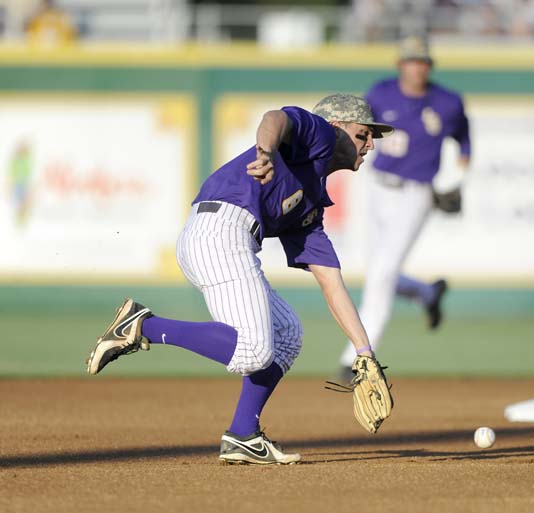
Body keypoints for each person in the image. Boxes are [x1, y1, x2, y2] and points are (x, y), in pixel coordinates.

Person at [85, 93, 394, 465]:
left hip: (228, 240)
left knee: (287, 335)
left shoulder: (312, 202)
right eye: (363, 134)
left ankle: (243, 434)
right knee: (254, 350)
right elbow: (275, 118)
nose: (370, 144)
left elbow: (331, 281)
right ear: (337, 128)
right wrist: (265, 153)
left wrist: (364, 351)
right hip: (221, 230)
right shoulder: (320, 136)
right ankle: (145, 326)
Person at [338, 36, 471, 376]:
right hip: (378, 187)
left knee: (382, 274)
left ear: (430, 65)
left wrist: (455, 180)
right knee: (379, 271)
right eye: (412, 60)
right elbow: (358, 129)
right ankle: (426, 292)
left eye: (423, 61)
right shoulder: (381, 93)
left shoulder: (447, 102)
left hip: (417, 194)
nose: (418, 67)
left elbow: (465, 140)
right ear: (400, 64)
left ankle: (356, 359)